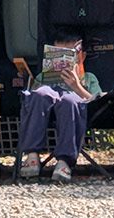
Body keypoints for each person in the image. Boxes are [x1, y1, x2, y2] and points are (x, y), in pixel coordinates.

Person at [18, 39, 93, 181]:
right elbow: (32, 103)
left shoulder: (88, 78)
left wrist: (77, 86)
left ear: (81, 56)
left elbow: (95, 99)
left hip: (72, 111)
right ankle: (32, 154)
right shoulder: (42, 78)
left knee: (68, 100)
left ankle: (64, 161)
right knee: (39, 94)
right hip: (46, 110)